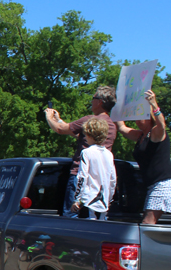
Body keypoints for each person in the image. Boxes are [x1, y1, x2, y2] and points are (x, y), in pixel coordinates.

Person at [45, 86, 117, 217]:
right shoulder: (111, 125)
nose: (91, 101)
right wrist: (59, 120)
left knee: (71, 217)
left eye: (93, 98)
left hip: (80, 178)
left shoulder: (90, 120)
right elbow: (84, 137)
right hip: (101, 183)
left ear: (100, 101)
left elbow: (60, 129)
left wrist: (49, 117)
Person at [115, 90, 171, 225]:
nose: (138, 120)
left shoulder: (156, 133)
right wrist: (118, 106)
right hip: (152, 185)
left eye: (142, 116)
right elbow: (121, 127)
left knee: (147, 222)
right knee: (147, 222)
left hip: (164, 184)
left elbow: (162, 125)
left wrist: (154, 105)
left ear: (150, 117)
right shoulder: (140, 136)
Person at [70, 117, 116, 220]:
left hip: (88, 201)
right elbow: (112, 180)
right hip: (103, 203)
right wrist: (109, 199)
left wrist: (77, 199)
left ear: (89, 135)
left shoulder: (87, 153)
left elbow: (82, 176)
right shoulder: (109, 154)